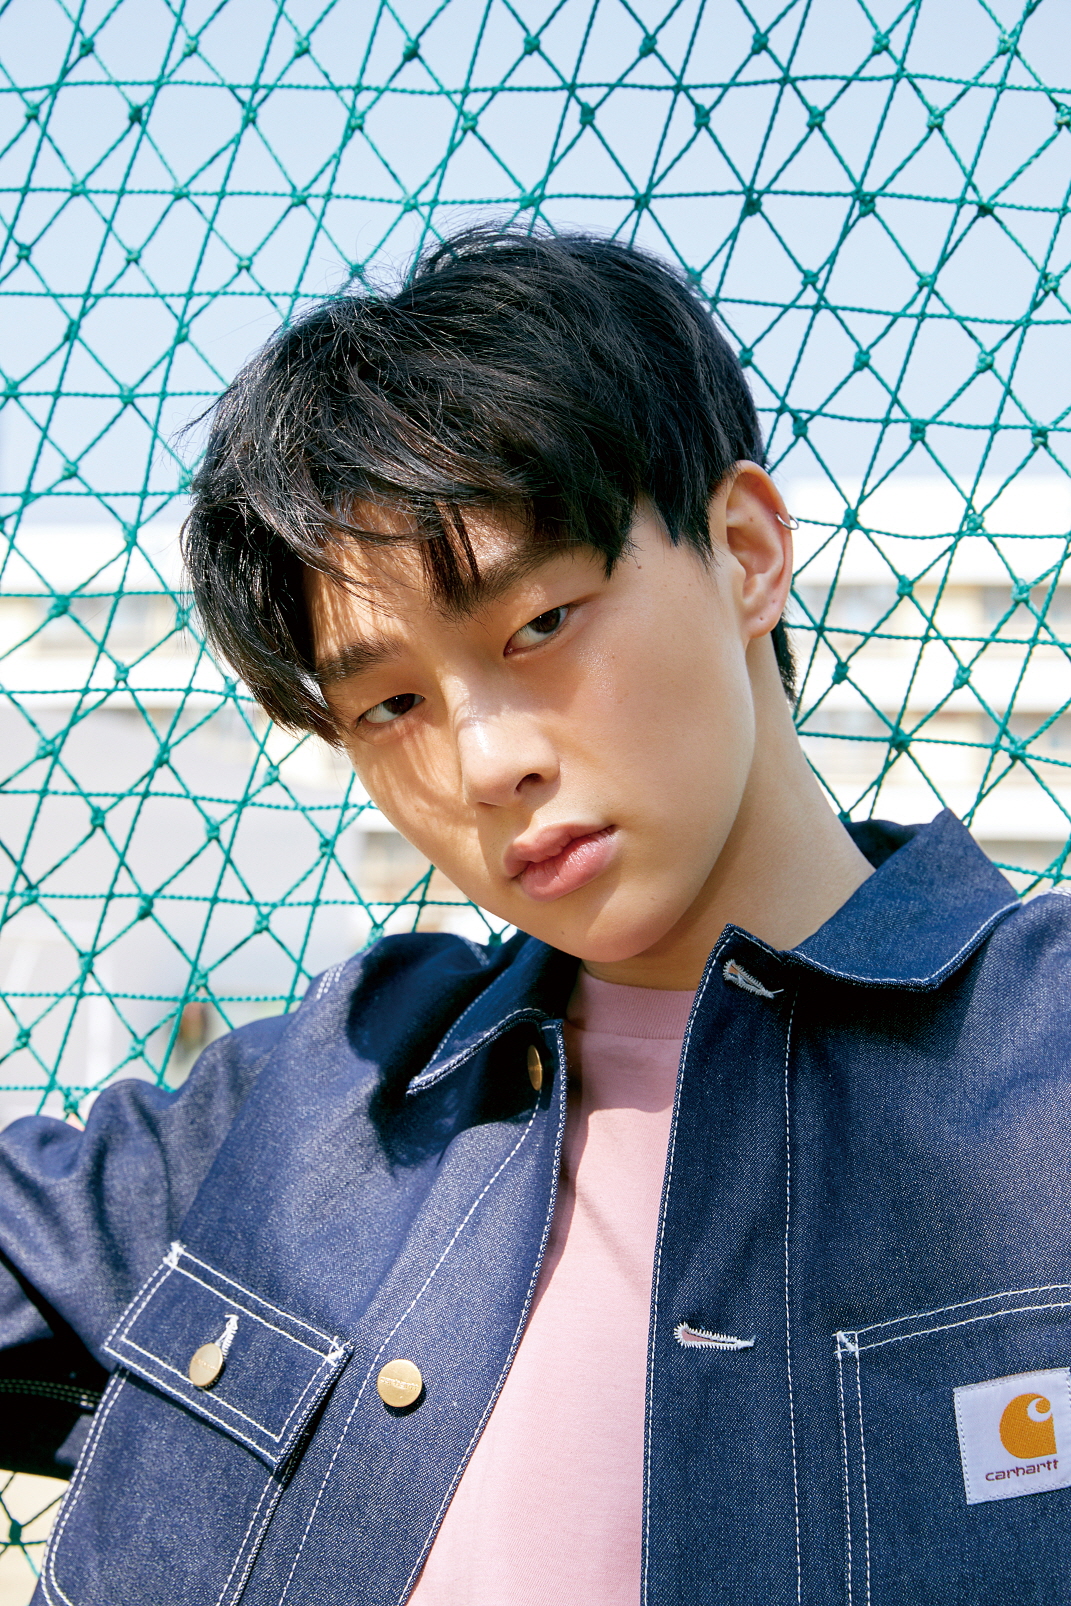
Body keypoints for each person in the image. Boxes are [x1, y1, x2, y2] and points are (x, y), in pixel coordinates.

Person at [2, 228, 1070, 1606]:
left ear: (746, 552)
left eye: (540, 624)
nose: (483, 760)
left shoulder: (1042, 1062)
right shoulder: (311, 1103)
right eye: (390, 703)